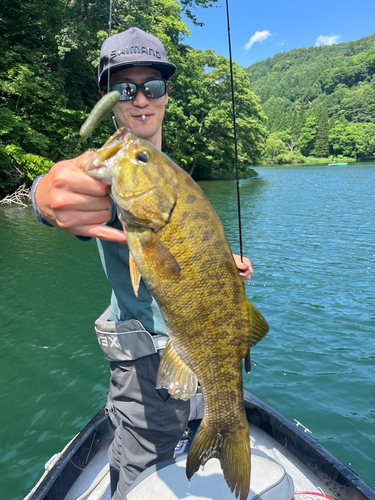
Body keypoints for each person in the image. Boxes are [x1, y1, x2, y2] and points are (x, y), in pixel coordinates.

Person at [31, 27, 253, 499]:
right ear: (109, 101)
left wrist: (223, 268)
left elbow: (182, 254)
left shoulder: (164, 171)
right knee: (143, 473)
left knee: (196, 463)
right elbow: (61, 193)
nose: (140, 100)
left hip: (197, 345)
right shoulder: (115, 168)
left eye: (151, 87)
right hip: (141, 366)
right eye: (125, 89)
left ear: (167, 95)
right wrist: (46, 198)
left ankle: (224, 431)